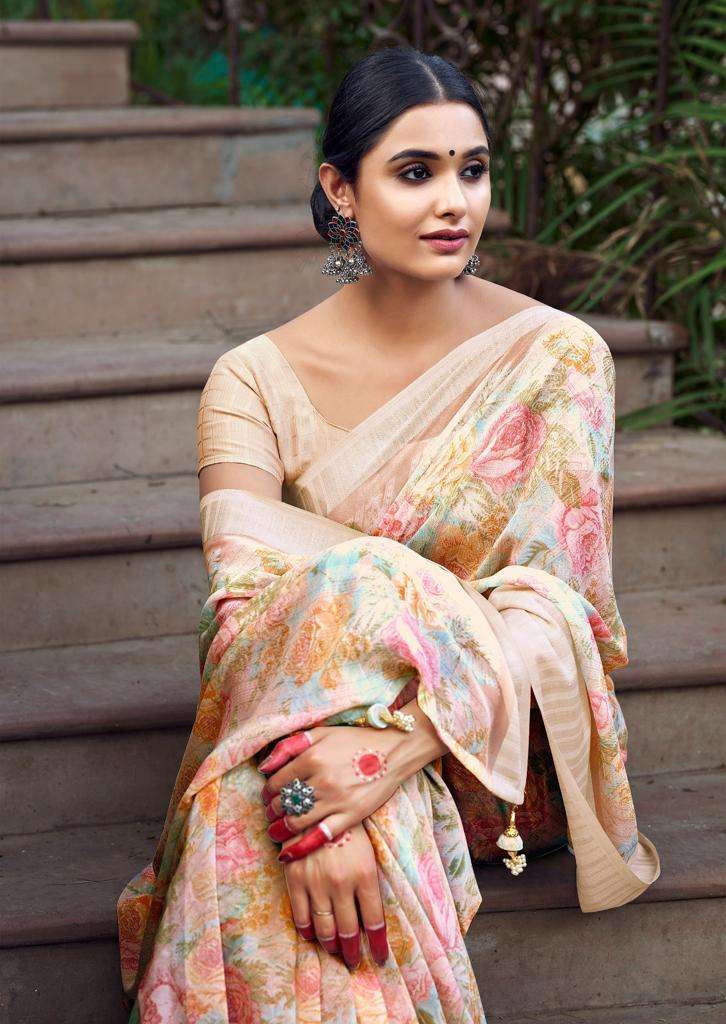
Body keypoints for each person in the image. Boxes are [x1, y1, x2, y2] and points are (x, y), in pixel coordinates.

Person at [117, 45, 660, 1023]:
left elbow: (558, 612)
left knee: (359, 579)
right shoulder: (251, 380)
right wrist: (322, 809)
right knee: (275, 760)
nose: (455, 201)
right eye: (416, 172)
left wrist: (388, 751)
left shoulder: (557, 356)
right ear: (342, 189)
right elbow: (244, 617)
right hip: (300, 726)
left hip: (490, 745)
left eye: (472, 169)